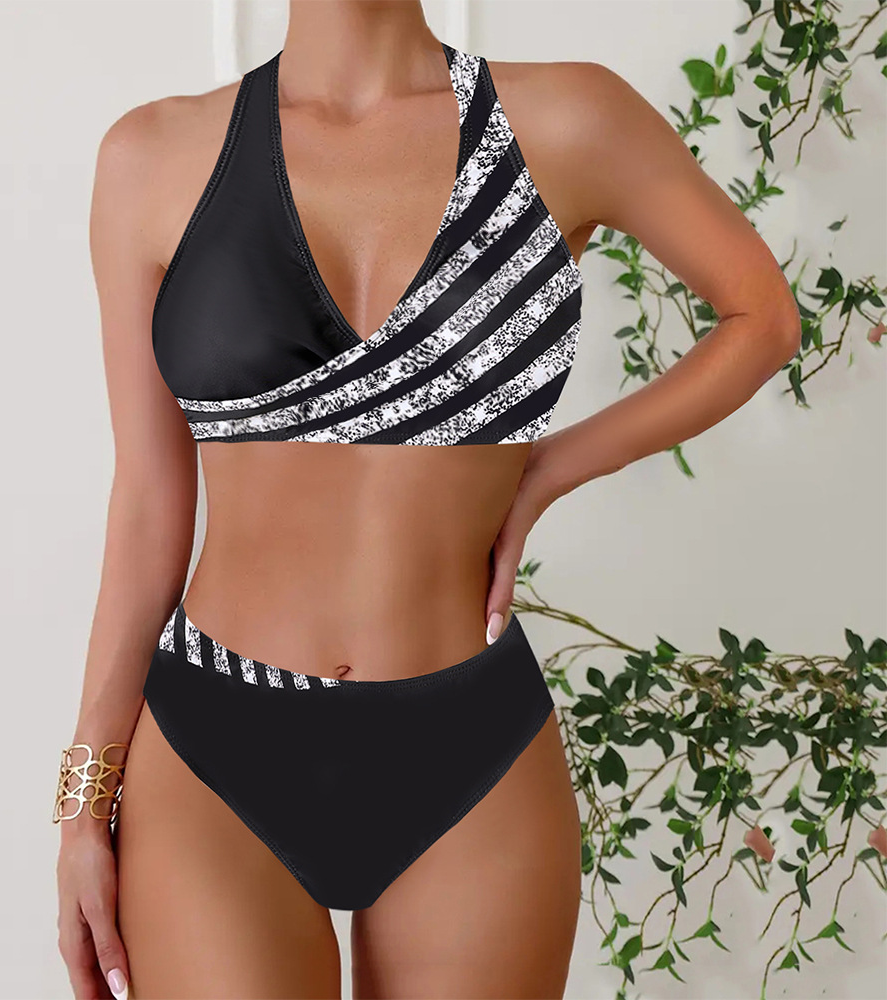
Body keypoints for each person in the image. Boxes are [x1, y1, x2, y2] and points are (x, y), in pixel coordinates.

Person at [53, 2, 802, 998]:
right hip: (212, 750)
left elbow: (762, 317)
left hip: (469, 747)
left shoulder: (570, 119)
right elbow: (150, 505)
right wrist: (82, 802)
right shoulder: (150, 157)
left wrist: (551, 469)